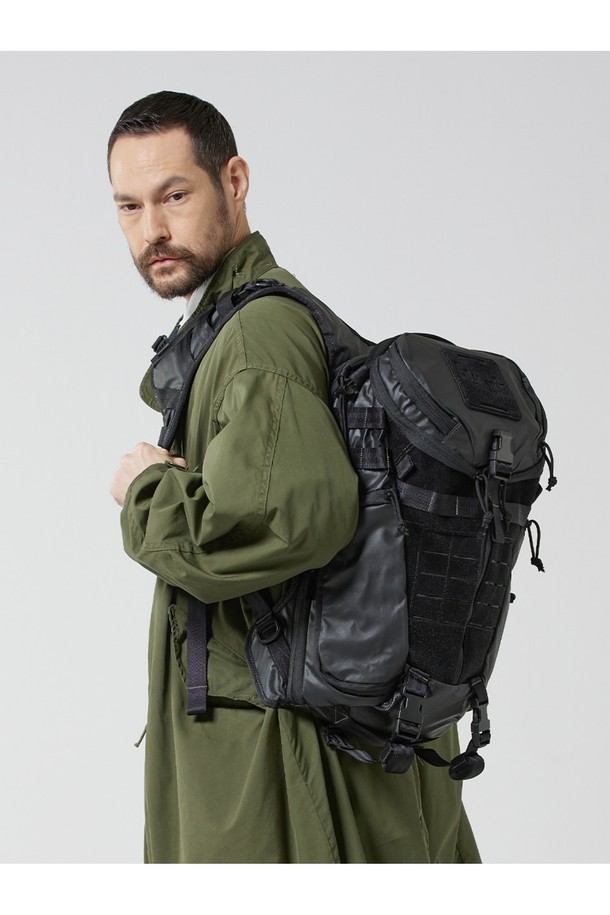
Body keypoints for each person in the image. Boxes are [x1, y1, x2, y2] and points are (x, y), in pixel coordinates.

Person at [108, 90, 481, 864]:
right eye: (129, 206)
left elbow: (292, 515)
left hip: (280, 757)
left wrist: (147, 492)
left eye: (174, 196)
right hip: (314, 729)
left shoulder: (257, 335)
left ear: (234, 181)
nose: (152, 231)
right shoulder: (247, 320)